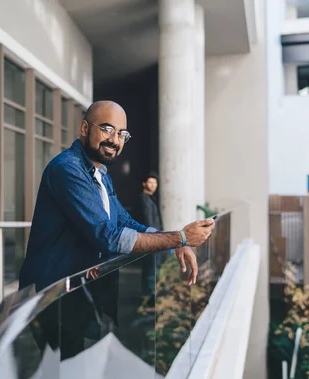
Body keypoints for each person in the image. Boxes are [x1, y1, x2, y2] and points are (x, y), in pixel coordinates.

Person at [19, 100, 215, 360]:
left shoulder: (100, 173)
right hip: (52, 295)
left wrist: (177, 241)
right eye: (107, 129)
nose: (115, 140)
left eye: (122, 134)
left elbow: (123, 221)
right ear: (84, 128)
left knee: (75, 374)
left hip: (78, 293)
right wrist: (179, 237)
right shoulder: (67, 169)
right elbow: (109, 237)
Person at [134, 172, 163, 302]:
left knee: (152, 268)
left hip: (155, 239)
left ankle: (150, 296)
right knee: (150, 269)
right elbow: (148, 221)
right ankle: (148, 297)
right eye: (150, 182)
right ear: (144, 184)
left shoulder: (151, 199)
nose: (153, 185)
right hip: (151, 240)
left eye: (155, 183)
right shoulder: (144, 199)